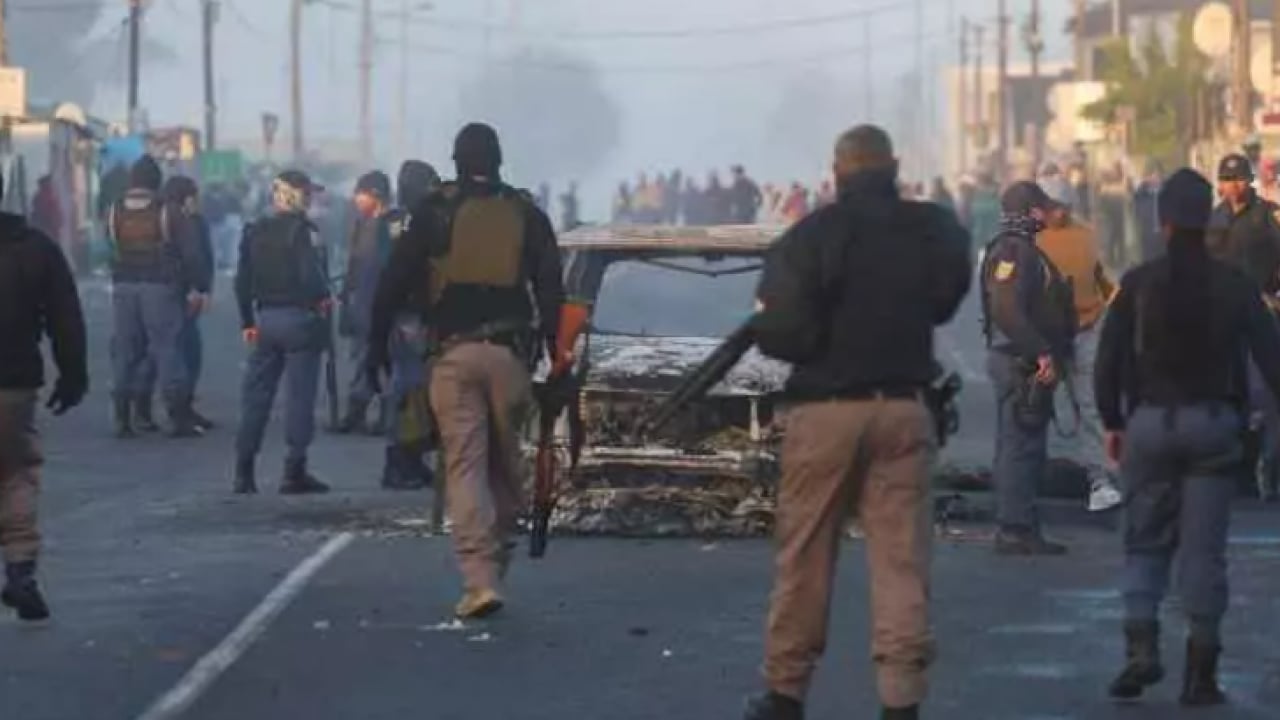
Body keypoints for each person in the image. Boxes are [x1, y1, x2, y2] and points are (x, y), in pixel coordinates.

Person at [742, 125, 971, 720]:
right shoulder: (931, 228)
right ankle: (901, 699)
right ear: (892, 166)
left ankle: (785, 693)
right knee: (900, 562)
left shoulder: (812, 235)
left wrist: (815, 334)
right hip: (904, 407)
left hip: (826, 412)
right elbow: (948, 292)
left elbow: (782, 330)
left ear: (838, 171)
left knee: (805, 558)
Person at [1094, 168, 1280, 706]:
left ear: (1164, 221)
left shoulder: (1139, 283)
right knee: (1203, 551)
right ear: (1209, 217)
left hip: (1150, 424)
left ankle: (1141, 645)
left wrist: (1113, 422)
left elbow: (1108, 362)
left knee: (1144, 542)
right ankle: (1201, 670)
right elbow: (1271, 359)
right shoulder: (1235, 286)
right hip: (1215, 427)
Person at [368, 122, 565, 619]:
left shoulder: (435, 212)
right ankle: (497, 555)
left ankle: (479, 577)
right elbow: (551, 290)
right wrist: (555, 353)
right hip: (510, 357)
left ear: (455, 162)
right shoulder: (527, 214)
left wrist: (376, 346)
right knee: (507, 464)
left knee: (465, 465)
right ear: (499, 161)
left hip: (453, 357)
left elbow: (393, 282)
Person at [0, 174, 87, 622]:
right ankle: (19, 572)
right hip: (13, 384)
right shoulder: (34, 248)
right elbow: (64, 316)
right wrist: (72, 375)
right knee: (16, 475)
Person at [980, 181, 1077, 555]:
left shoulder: (1022, 250)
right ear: (1028, 211)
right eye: (1039, 209)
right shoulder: (1014, 253)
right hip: (1018, 362)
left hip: (1020, 360)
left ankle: (1019, 522)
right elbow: (1006, 310)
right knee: (1020, 446)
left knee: (1022, 444)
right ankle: (1015, 527)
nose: (1045, 215)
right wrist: (1041, 353)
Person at [232, 170, 333, 495]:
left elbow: (241, 281)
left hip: (265, 320)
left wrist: (248, 321)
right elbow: (311, 278)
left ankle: (243, 471)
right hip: (300, 320)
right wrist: (322, 300)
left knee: (256, 398)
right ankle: (294, 470)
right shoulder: (304, 232)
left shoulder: (254, 230)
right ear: (296, 195)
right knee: (299, 398)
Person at [1036, 185, 1123, 513]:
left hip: (1087, 328)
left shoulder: (1086, 236)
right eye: (1054, 206)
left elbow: (1101, 278)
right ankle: (1028, 478)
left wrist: (1112, 301)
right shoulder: (1031, 240)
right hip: (1046, 336)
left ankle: (1100, 480)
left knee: (1090, 405)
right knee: (1037, 408)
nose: (1060, 212)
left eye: (1065, 206)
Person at [108, 155, 206, 439]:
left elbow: (110, 248)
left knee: (126, 353)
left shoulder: (114, 210)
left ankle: (123, 418)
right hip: (161, 289)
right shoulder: (169, 211)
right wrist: (197, 286)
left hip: (124, 288)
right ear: (156, 180)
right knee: (167, 350)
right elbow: (191, 254)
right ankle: (177, 417)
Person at [1207, 153, 1280, 501]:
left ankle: (1269, 466)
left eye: (1239, 180)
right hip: (1223, 320)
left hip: (1263, 316)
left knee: (1268, 393)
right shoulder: (1212, 220)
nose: (1234, 187)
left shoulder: (1267, 216)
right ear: (1219, 183)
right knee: (1231, 393)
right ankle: (1240, 472)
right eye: (1227, 180)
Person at [376, 159, 442, 492]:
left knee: (412, 388)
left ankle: (410, 459)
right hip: (411, 313)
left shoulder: (390, 221)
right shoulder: (416, 221)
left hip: (398, 311)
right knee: (410, 388)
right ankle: (400, 460)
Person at [334, 172, 395, 436]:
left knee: (376, 361)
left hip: (380, 302)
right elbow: (355, 264)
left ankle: (370, 414)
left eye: (361, 194)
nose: (356, 199)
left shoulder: (391, 226)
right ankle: (364, 413)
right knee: (366, 358)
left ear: (375, 195)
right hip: (362, 301)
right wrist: (346, 293)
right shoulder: (363, 224)